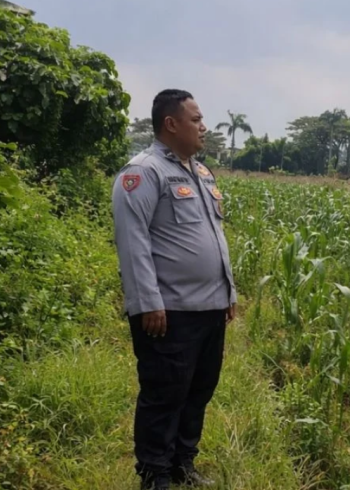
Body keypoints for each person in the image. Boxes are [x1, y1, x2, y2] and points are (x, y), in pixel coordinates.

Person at [111, 89, 237, 489]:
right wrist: (147, 302)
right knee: (164, 394)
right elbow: (133, 243)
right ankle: (155, 474)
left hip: (209, 309)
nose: (203, 127)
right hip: (169, 311)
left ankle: (184, 463)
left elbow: (213, 236)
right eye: (196, 119)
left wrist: (227, 293)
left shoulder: (199, 173)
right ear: (171, 124)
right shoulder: (143, 173)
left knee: (199, 391)